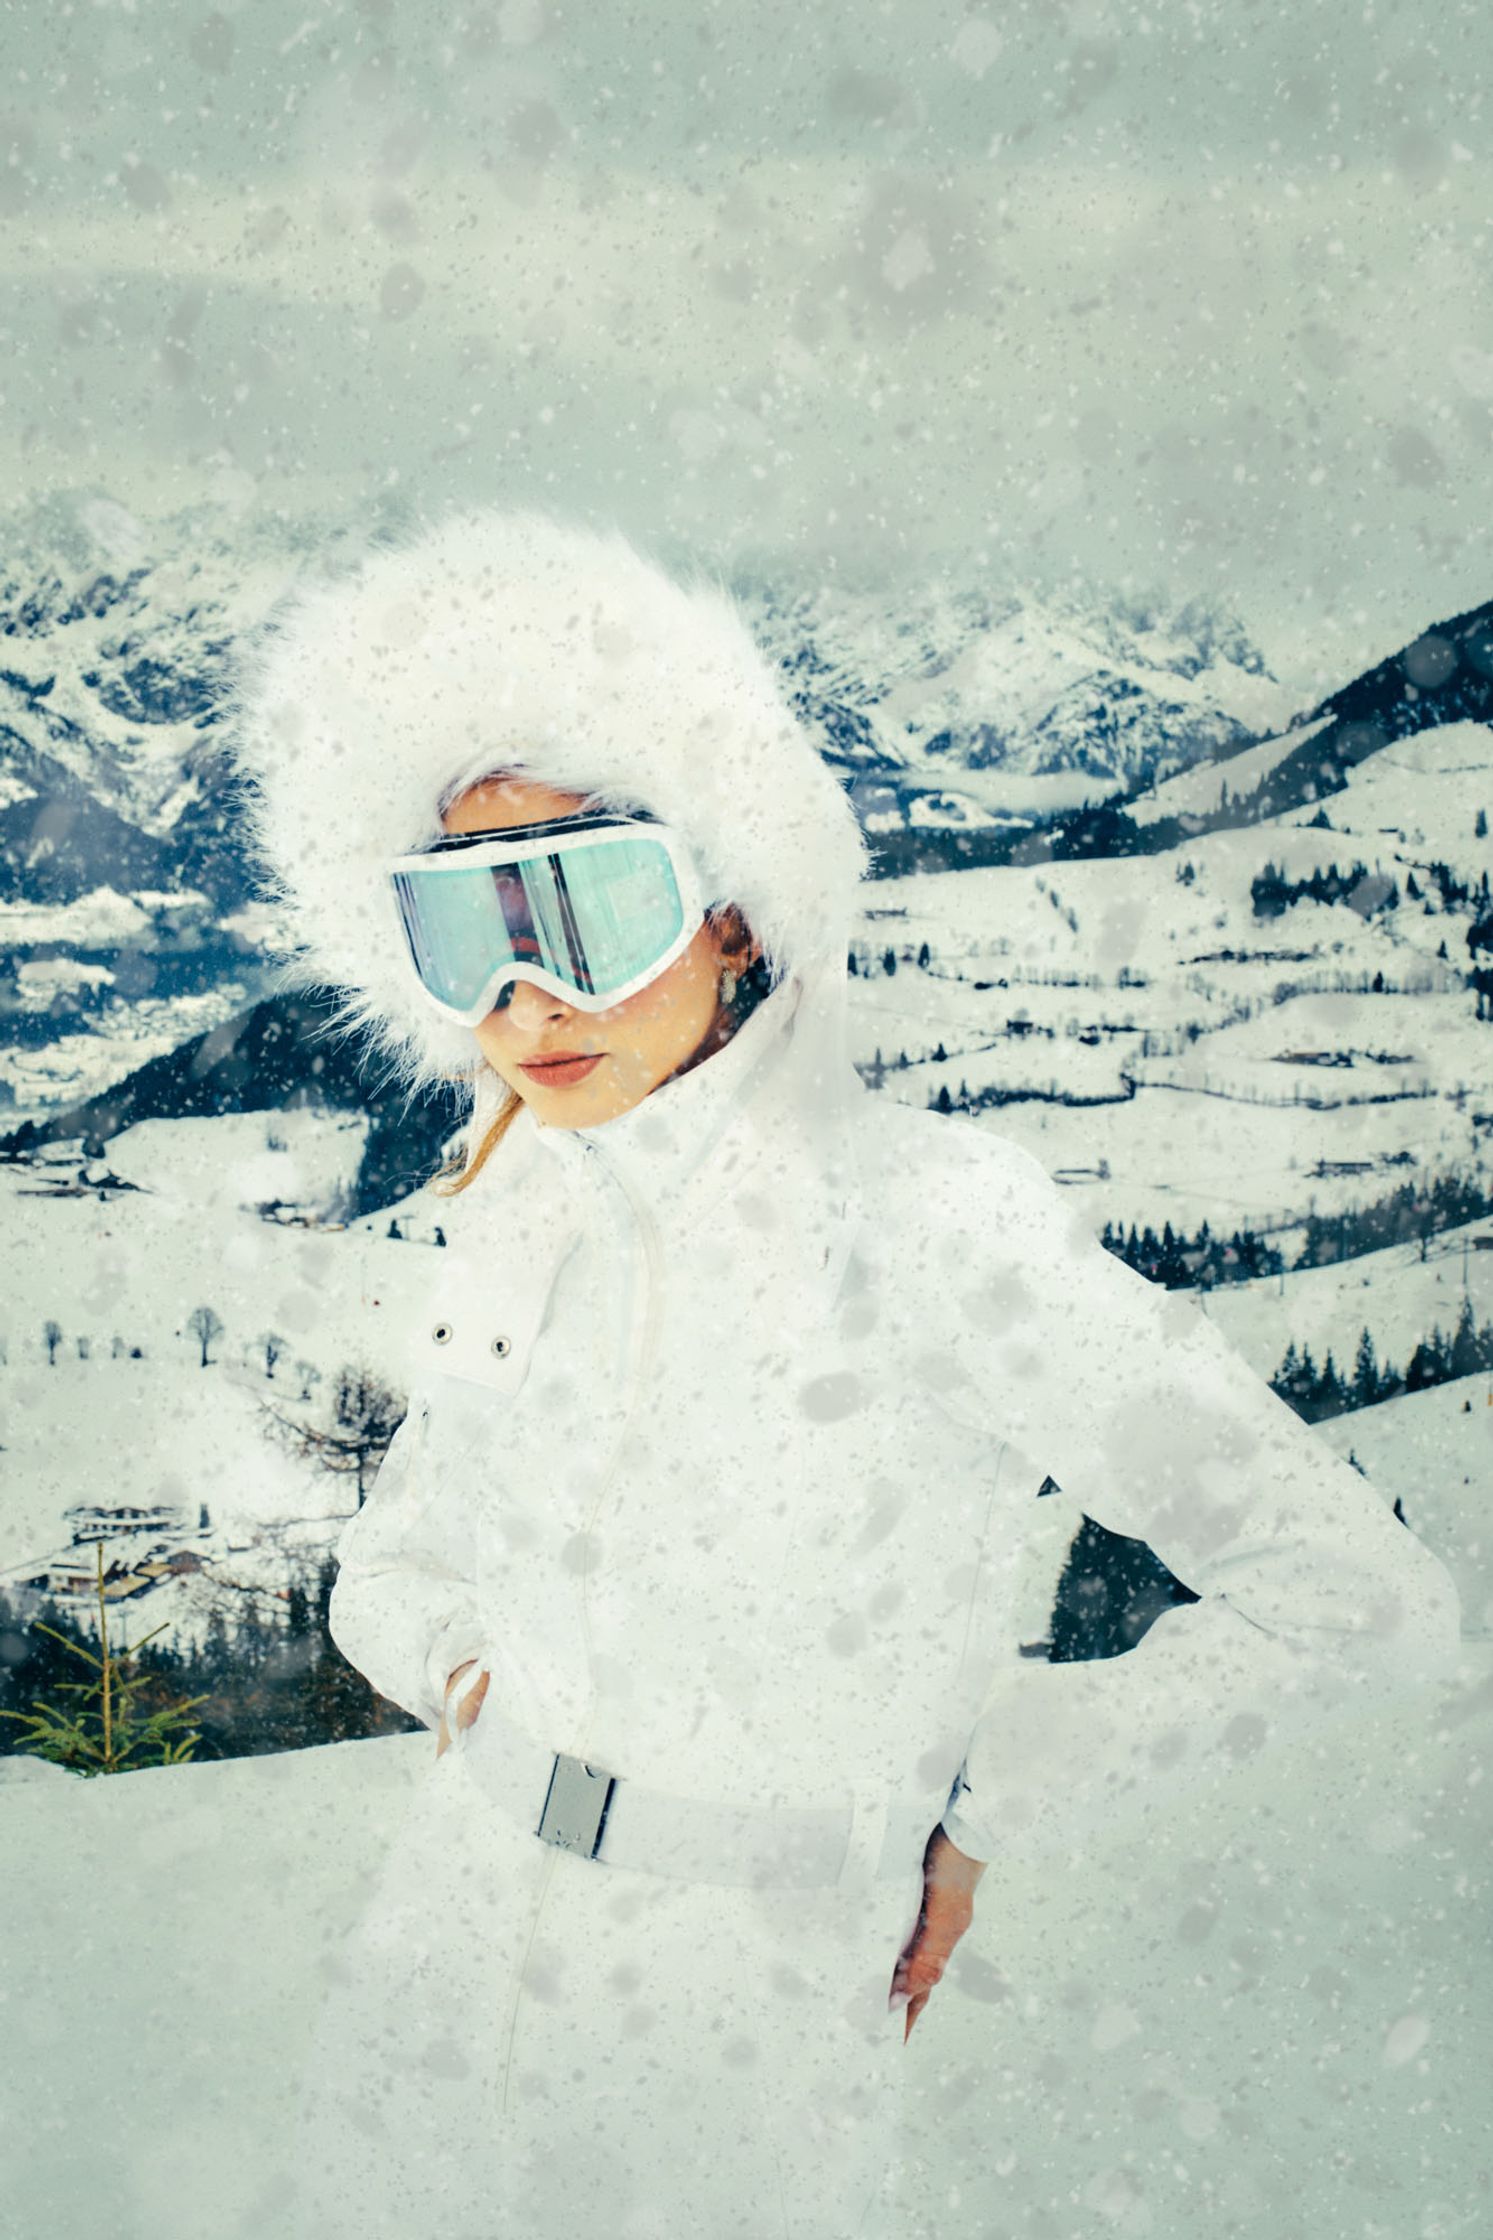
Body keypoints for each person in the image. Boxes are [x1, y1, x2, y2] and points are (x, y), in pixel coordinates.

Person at [223, 505, 1460, 2240]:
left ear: (733, 915)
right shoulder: (524, 1217)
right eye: (462, 928)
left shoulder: (935, 1226)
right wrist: (461, 1672)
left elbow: (1360, 1600)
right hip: (443, 1951)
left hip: (739, 2024)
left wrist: (996, 1791)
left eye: (587, 900)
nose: (523, 995)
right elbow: (399, 1561)